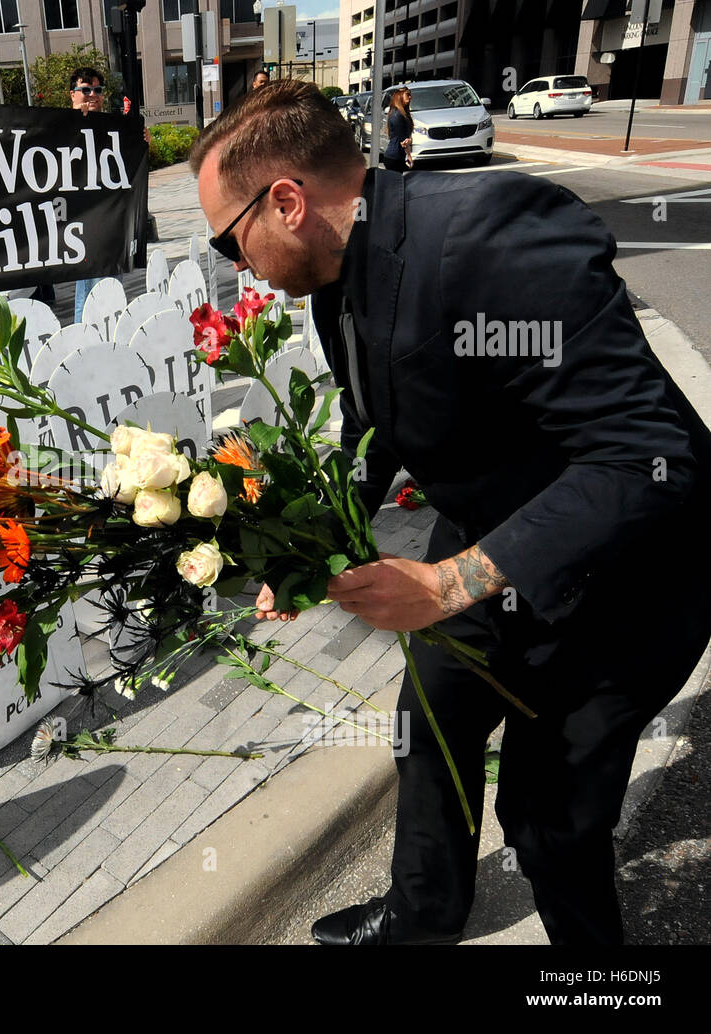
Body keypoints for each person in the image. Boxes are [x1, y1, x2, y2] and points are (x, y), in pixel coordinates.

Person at [190, 78, 711, 945]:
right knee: (427, 719)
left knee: (550, 820)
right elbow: (373, 424)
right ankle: (422, 914)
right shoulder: (333, 279)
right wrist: (304, 549)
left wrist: (446, 582)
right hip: (489, 517)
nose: (234, 265)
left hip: (630, 572)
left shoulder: (491, 235)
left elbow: (646, 455)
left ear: (286, 201)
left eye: (228, 240)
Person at [69, 67, 107, 325]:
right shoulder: (61, 126)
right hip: (79, 220)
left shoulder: (111, 128)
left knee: (109, 284)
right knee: (87, 284)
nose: (92, 94)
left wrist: (141, 143)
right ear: (73, 94)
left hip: (109, 219)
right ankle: (83, 336)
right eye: (85, 89)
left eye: (97, 90)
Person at [382, 85, 413, 172]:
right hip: (394, 158)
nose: (410, 97)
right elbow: (402, 140)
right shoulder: (397, 115)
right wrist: (409, 155)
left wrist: (408, 155)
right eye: (407, 95)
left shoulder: (402, 114)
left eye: (410, 95)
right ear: (400, 96)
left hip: (397, 156)